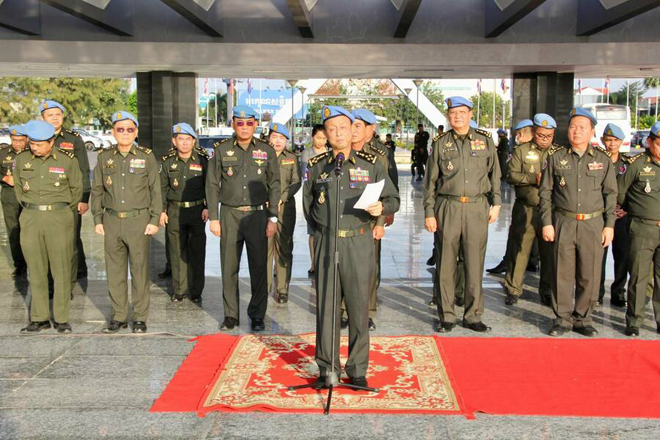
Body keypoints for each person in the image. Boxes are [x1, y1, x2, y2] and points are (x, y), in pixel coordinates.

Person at [303, 105, 399, 389]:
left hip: (358, 241)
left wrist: (381, 208)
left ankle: (357, 368)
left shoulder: (371, 164)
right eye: (331, 129)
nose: (338, 133)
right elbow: (309, 205)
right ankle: (327, 368)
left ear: (352, 129)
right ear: (325, 133)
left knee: (358, 307)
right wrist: (324, 229)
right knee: (327, 308)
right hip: (327, 241)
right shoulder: (317, 165)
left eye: (343, 127)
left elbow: (393, 198)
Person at [423, 96, 501, 333]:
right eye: (453, 113)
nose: (457, 117)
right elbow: (430, 182)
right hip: (448, 207)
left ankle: (473, 315)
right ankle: (447, 315)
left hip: (477, 207)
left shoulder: (485, 140)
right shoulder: (440, 143)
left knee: (474, 264)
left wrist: (496, 203)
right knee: (446, 263)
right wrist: (429, 212)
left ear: (470, 114)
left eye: (462, 112)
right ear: (448, 116)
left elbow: (495, 174)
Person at [540, 108, 616, 337]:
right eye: (573, 127)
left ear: (592, 132)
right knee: (561, 273)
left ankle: (583, 319)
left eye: (582, 127)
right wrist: (546, 222)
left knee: (588, 274)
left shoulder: (602, 159)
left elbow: (611, 194)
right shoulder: (556, 157)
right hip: (564, 221)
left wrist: (609, 225)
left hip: (593, 224)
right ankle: (562, 319)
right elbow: (545, 193)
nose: (577, 131)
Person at [206, 105, 281, 332]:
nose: (245, 127)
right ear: (233, 124)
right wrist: (214, 217)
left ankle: (257, 315)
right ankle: (230, 315)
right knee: (229, 266)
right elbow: (212, 184)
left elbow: (275, 185)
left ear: (255, 124)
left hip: (258, 214)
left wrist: (273, 218)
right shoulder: (221, 150)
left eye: (249, 123)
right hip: (230, 213)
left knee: (259, 267)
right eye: (240, 123)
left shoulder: (266, 150)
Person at [91, 111, 162, 334]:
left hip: (138, 220)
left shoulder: (146, 156)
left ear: (136, 132)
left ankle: (139, 317)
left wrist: (154, 219)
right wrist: (97, 218)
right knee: (115, 272)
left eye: (129, 129)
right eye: (120, 129)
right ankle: (119, 316)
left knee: (140, 271)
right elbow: (97, 190)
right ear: (113, 132)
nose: (125, 133)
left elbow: (155, 190)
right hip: (112, 220)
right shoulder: (104, 157)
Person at [15, 120, 82, 333]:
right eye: (32, 143)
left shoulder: (67, 161)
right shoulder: (21, 159)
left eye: (39, 144)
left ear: (51, 142)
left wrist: (58, 210)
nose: (34, 147)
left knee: (61, 269)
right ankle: (39, 317)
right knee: (35, 269)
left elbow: (76, 190)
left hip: (58, 217)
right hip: (31, 216)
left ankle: (61, 318)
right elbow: (19, 190)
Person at [345, 108, 399, 331]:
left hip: (369, 219)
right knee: (343, 266)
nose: (353, 130)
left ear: (371, 128)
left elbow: (387, 190)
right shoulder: (340, 151)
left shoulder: (379, 155)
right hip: (345, 219)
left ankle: (366, 311)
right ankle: (343, 310)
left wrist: (381, 220)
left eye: (358, 125)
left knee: (368, 267)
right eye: (351, 125)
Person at [503, 114, 556, 307]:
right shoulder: (521, 151)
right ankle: (513, 289)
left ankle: (547, 291)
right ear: (534, 132)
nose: (545, 139)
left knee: (549, 253)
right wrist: (533, 179)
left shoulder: (559, 153)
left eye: (549, 136)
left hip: (550, 211)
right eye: (541, 135)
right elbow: (511, 175)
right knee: (520, 250)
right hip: (526, 208)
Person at [40, 100, 91, 281]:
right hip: (45, 198)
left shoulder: (73, 139)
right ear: (43, 118)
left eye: (58, 114)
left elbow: (84, 170)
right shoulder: (37, 139)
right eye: (50, 115)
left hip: (70, 198)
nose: (54, 118)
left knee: (71, 237)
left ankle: (73, 275)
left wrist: (84, 198)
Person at [617, 121, 660, 337]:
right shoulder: (636, 164)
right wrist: (634, 209)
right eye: (659, 143)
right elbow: (620, 192)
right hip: (643, 227)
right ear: (650, 142)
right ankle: (634, 320)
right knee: (639, 275)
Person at [160, 123, 209, 304]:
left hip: (197, 211)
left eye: (188, 139)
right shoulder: (168, 161)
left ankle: (196, 290)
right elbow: (162, 188)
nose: (185, 143)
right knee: (176, 250)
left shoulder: (203, 160)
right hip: (175, 210)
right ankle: (179, 290)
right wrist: (161, 210)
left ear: (194, 141)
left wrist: (208, 207)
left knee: (197, 251)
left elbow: (210, 186)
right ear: (174, 141)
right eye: (181, 139)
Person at [487, 119, 534, 274]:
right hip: (523, 200)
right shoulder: (519, 151)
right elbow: (511, 175)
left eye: (519, 134)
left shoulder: (540, 152)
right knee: (516, 234)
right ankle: (510, 262)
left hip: (539, 202)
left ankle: (530, 262)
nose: (517, 138)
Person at [598, 123, 632, 308]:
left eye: (616, 140)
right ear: (602, 140)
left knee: (622, 256)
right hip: (600, 215)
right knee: (598, 257)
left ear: (622, 142)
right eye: (609, 140)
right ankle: (597, 293)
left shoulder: (628, 164)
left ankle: (618, 292)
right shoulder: (596, 160)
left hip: (621, 216)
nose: (612, 144)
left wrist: (625, 209)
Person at [266, 122, 301, 304]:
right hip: (264, 208)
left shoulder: (292, 158)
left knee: (284, 249)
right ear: (268, 138)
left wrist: (282, 197)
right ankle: (264, 287)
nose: (278, 141)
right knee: (264, 249)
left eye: (282, 138)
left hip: (285, 209)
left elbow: (296, 182)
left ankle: (282, 289)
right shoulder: (261, 156)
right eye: (275, 137)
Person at [300, 124, 328, 277]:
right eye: (318, 137)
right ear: (312, 137)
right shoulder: (307, 153)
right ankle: (313, 262)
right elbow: (305, 175)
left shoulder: (330, 153)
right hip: (312, 194)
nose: (321, 141)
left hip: (327, 194)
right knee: (313, 232)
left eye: (324, 138)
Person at [0, 125, 28, 279]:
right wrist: (4, 178)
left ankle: (35, 262)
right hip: (10, 195)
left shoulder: (32, 152)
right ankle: (20, 265)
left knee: (30, 230)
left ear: (27, 139)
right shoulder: (3, 153)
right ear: (10, 138)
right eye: (15, 140)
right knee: (13, 230)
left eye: (21, 140)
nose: (18, 143)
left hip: (29, 196)